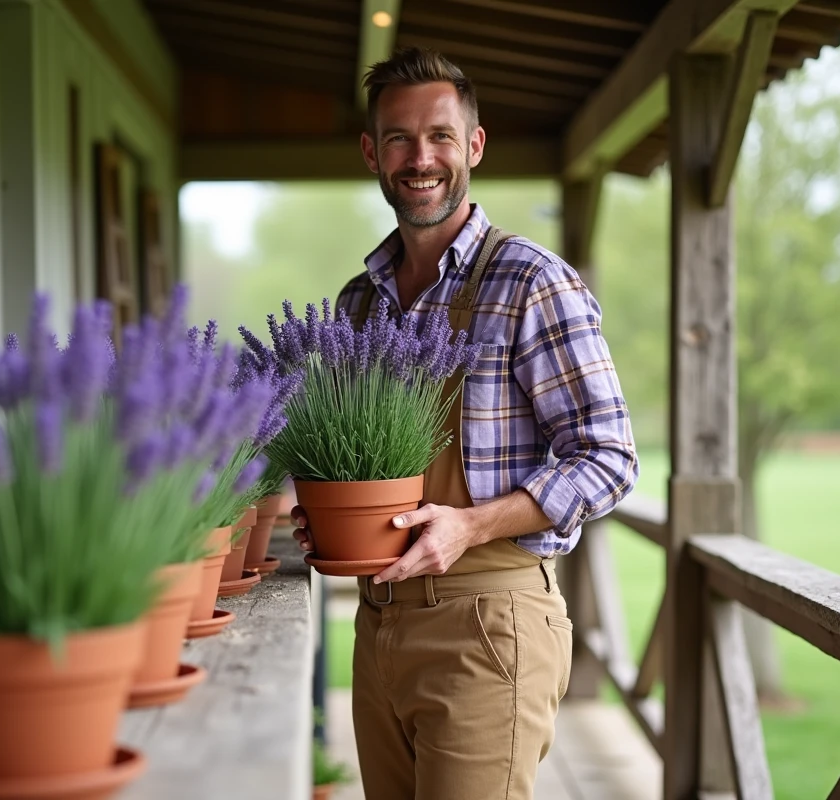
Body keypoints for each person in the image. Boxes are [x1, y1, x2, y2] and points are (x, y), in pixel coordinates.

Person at [291, 47, 638, 800]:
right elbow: (360, 472)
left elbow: (609, 458)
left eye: (441, 136)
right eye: (399, 139)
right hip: (378, 626)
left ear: (473, 146)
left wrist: (471, 526)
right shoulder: (358, 305)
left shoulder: (531, 282)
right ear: (371, 153)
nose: (421, 158)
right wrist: (316, 514)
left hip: (489, 623)